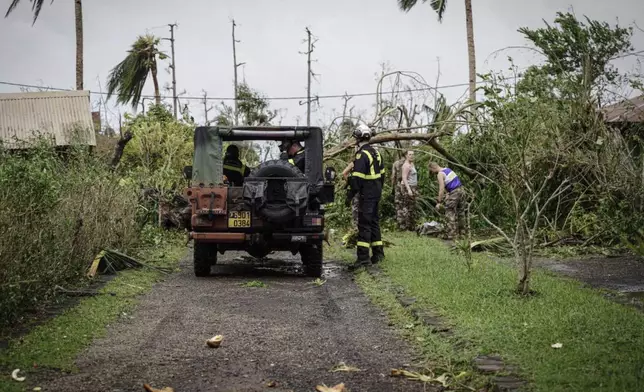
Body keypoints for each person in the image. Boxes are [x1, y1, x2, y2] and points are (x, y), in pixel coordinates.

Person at [346, 123, 385, 270]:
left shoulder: (362, 155)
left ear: (358, 138)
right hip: (376, 193)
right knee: (374, 222)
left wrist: (350, 195)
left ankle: (363, 259)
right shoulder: (377, 153)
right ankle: (378, 254)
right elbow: (382, 176)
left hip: (366, 194)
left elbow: (357, 178)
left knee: (364, 224)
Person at [428, 162, 465, 239]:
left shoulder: (440, 174)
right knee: (460, 212)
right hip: (461, 190)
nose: (432, 173)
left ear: (433, 168)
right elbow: (451, 181)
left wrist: (439, 201)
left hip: (454, 192)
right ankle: (462, 233)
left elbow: (441, 188)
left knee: (449, 211)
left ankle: (452, 234)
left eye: (431, 171)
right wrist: (448, 193)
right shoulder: (448, 169)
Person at [399, 151, 418, 231]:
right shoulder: (406, 166)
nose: (411, 156)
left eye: (413, 154)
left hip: (413, 186)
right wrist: (409, 189)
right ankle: (405, 226)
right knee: (406, 206)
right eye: (410, 154)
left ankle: (410, 225)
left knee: (412, 206)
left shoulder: (412, 164)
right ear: (406, 156)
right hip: (408, 187)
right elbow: (404, 178)